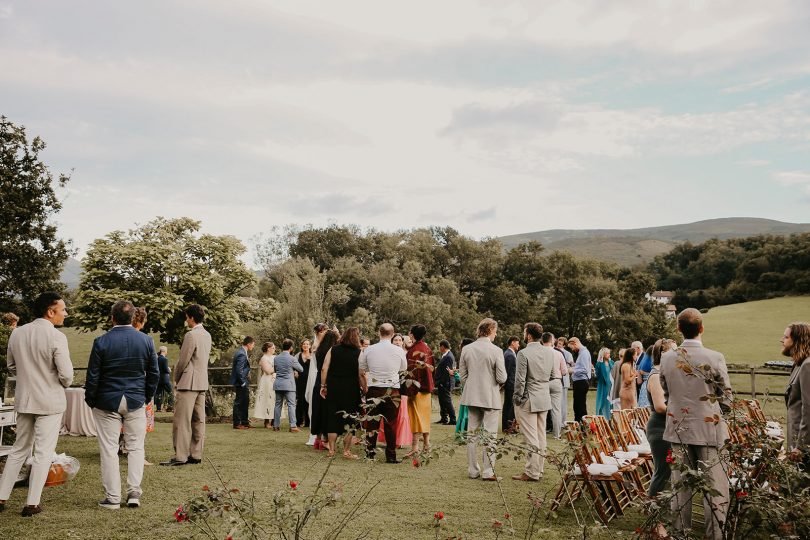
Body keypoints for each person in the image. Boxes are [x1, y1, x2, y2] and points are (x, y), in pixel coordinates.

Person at [660, 308, 732, 540]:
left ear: (679, 328)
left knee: (680, 489)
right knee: (716, 490)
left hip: (678, 430)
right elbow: (727, 398)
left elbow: (666, 392)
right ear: (701, 328)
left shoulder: (667, 358)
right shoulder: (715, 357)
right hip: (709, 430)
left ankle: (680, 535)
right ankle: (716, 536)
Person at [0, 292, 73, 517]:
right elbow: (67, 376)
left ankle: (1, 497)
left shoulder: (17, 333)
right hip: (49, 401)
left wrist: (28, 378)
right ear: (50, 311)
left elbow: (11, 367)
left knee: (18, 449)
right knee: (43, 452)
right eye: (62, 309)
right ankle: (32, 504)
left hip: (25, 399)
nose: (65, 313)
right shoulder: (57, 337)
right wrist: (53, 381)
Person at [84, 300, 159, 510]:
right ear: (133, 316)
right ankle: (134, 492)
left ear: (112, 318)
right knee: (136, 447)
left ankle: (113, 498)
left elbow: (93, 376)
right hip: (136, 399)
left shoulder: (101, 341)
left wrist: (91, 400)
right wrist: (146, 396)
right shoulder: (146, 341)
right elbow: (154, 373)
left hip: (106, 400)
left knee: (108, 449)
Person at [161, 304, 212, 467]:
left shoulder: (191, 335)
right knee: (199, 420)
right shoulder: (207, 335)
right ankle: (196, 454)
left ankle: (181, 456)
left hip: (188, 382)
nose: (186, 320)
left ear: (191, 318)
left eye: (186, 317)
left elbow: (183, 361)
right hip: (202, 382)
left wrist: (176, 378)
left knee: (182, 421)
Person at [459, 318, 507, 481]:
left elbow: (463, 375)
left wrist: (473, 385)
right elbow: (502, 377)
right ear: (491, 331)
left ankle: (473, 470)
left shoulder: (466, 349)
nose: (496, 334)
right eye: (495, 331)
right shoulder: (496, 351)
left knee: (472, 434)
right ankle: (488, 472)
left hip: (472, 396)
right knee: (490, 435)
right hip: (490, 397)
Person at [512, 323, 554, 482]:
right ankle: (539, 469)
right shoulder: (550, 352)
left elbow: (520, 380)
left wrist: (517, 398)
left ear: (529, 335)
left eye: (524, 332)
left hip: (528, 398)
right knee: (541, 435)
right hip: (543, 396)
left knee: (531, 437)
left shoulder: (523, 353)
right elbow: (552, 375)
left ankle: (531, 472)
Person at [360, 323, 408, 463]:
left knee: (372, 423)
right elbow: (403, 368)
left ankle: (370, 453)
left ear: (379, 333)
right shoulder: (398, 350)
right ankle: (391, 455)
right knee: (391, 423)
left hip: (374, 388)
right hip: (392, 390)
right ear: (393, 334)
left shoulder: (369, 350)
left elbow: (362, 368)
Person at [320, 327, 362, 458]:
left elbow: (324, 368)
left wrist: (323, 385)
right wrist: (363, 388)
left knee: (332, 416)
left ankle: (331, 450)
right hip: (351, 388)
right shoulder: (359, 352)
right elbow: (361, 373)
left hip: (334, 387)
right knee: (351, 418)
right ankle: (346, 451)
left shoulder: (333, 349)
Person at [647, 338, 675, 496]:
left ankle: (662, 511)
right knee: (662, 472)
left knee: (668, 472)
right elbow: (660, 406)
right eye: (675, 351)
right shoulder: (656, 376)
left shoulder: (663, 374)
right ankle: (653, 513)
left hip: (667, 426)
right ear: (664, 354)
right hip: (659, 429)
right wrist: (681, 411)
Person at [404, 324, 434, 455]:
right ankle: (426, 444)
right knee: (425, 416)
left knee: (416, 417)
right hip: (427, 387)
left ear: (411, 334)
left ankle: (415, 447)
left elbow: (411, 371)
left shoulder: (413, 350)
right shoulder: (427, 348)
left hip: (417, 388)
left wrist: (410, 390)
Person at [783, 322, 810, 463]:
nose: (782, 340)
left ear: (798, 341)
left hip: (803, 447)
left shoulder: (807, 365)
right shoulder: (798, 364)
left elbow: (808, 408)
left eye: (786, 337)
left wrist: (801, 446)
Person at [379, 333, 412, 448]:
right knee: (388, 415)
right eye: (395, 340)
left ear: (402, 342)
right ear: (392, 342)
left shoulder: (406, 355)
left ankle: (399, 440)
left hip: (402, 388)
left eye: (399, 340)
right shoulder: (388, 354)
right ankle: (388, 439)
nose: (398, 342)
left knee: (401, 416)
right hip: (389, 387)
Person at [310, 328, 338, 445]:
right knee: (327, 411)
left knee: (318, 410)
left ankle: (317, 438)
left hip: (317, 381)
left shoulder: (318, 350)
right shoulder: (333, 351)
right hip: (328, 381)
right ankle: (325, 439)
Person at [306, 324, 329, 445]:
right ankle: (320, 438)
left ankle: (319, 438)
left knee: (320, 409)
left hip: (319, 378)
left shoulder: (322, 346)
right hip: (319, 378)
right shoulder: (317, 346)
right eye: (322, 332)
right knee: (320, 409)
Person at [273, 339, 304, 432]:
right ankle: (293, 426)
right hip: (289, 385)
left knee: (278, 405)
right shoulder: (292, 358)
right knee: (291, 405)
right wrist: (293, 370)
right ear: (291, 348)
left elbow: (275, 370)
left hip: (278, 383)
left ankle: (276, 425)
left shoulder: (276, 358)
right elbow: (301, 369)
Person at [543, 333, 565, 438]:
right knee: (556, 409)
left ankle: (541, 432)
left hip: (542, 382)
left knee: (542, 408)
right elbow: (564, 371)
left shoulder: (539, 352)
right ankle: (557, 434)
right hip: (556, 381)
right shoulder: (559, 354)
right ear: (551, 340)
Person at [230, 337, 254, 430]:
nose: (253, 346)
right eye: (253, 344)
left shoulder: (242, 352)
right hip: (240, 382)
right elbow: (239, 370)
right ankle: (237, 423)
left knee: (245, 401)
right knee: (239, 402)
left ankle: (245, 422)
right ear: (248, 344)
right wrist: (243, 382)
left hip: (243, 380)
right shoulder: (241, 354)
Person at [568, 337, 591, 422]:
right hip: (578, 382)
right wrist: (574, 365)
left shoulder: (584, 353)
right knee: (577, 406)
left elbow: (584, 369)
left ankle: (583, 427)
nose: (572, 349)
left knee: (580, 407)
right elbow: (581, 366)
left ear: (575, 343)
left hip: (581, 382)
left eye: (572, 347)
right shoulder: (581, 353)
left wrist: (572, 370)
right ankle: (578, 425)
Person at [454, 338, 475, 434]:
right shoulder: (474, 356)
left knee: (465, 413)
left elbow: (463, 376)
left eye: (461, 344)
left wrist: (455, 374)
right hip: (471, 387)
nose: (459, 346)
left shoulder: (464, 355)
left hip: (467, 388)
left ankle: (462, 432)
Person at [253, 342, 276, 428]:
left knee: (275, 399)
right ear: (268, 349)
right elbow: (268, 371)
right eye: (273, 348)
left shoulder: (275, 357)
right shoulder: (264, 358)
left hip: (275, 380)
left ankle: (274, 420)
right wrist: (277, 367)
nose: (274, 349)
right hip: (267, 381)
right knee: (267, 399)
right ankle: (266, 421)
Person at [434, 340, 456, 425]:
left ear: (442, 346)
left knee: (447, 401)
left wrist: (442, 382)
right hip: (442, 382)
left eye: (440, 346)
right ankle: (444, 418)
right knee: (442, 401)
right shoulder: (446, 356)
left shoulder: (448, 357)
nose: (439, 348)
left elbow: (448, 372)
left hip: (445, 382)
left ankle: (453, 419)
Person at [555, 337, 574, 424]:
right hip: (556, 379)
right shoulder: (554, 351)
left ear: (564, 344)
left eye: (561, 343)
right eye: (558, 342)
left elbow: (572, 367)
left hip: (564, 379)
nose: (559, 344)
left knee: (563, 402)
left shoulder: (568, 354)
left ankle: (563, 421)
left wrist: (565, 368)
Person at [502, 336, 519, 433]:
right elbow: (507, 372)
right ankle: (508, 427)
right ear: (512, 343)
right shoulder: (509, 355)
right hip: (510, 384)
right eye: (517, 342)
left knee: (509, 406)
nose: (519, 345)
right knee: (509, 407)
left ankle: (509, 426)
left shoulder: (510, 354)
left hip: (511, 384)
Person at [295, 339, 312, 428]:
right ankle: (298, 421)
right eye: (304, 344)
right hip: (300, 381)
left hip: (310, 381)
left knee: (308, 400)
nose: (305, 345)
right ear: (301, 346)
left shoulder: (313, 355)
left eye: (307, 344)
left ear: (310, 346)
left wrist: (311, 359)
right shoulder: (298, 355)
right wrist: (295, 371)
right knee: (300, 400)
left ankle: (308, 422)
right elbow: (292, 364)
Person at [594, 347, 614, 418]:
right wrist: (599, 364)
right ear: (603, 354)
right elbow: (597, 376)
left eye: (609, 353)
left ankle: (610, 417)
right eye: (607, 353)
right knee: (602, 401)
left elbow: (614, 372)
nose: (609, 355)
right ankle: (601, 416)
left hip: (611, 385)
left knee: (610, 402)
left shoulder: (611, 362)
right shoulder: (599, 364)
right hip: (603, 385)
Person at [155, 346, 174, 412]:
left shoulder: (156, 359)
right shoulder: (165, 359)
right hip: (165, 379)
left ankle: (158, 408)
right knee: (170, 392)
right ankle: (170, 406)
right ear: (165, 351)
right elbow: (165, 370)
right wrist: (169, 370)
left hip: (158, 379)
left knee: (158, 393)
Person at [637, 344, 653, 408]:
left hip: (644, 388)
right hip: (653, 387)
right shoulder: (655, 365)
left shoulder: (641, 364)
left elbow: (639, 381)